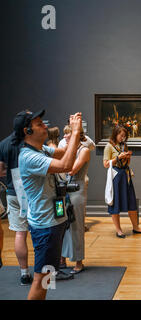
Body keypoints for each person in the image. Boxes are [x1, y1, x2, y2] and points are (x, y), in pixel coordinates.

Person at [16, 109, 83, 300]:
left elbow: (63, 153)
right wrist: (76, 133)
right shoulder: (29, 157)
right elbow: (66, 165)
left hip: (52, 223)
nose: (44, 126)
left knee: (48, 276)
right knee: (41, 279)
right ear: (27, 131)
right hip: (46, 227)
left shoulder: (40, 150)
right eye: (39, 124)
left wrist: (72, 138)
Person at [0, 131, 34, 285]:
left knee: (20, 234)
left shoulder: (4, 143)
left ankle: (24, 273)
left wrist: (12, 173)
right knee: (41, 233)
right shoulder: (31, 141)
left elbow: (0, 170)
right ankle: (45, 274)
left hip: (12, 192)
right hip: (32, 193)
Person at [103, 125, 141, 238]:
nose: (123, 138)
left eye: (124, 136)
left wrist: (127, 157)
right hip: (116, 177)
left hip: (126, 175)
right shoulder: (109, 146)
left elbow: (127, 164)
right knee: (116, 203)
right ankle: (118, 230)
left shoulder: (124, 146)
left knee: (132, 202)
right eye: (121, 135)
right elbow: (105, 164)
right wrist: (118, 158)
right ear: (115, 134)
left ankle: (136, 227)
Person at [60, 125, 90, 274]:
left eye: (68, 134)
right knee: (62, 226)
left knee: (76, 227)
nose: (64, 137)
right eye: (65, 134)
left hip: (76, 192)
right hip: (63, 192)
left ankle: (79, 261)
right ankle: (62, 258)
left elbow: (71, 170)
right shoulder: (67, 150)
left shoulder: (84, 151)